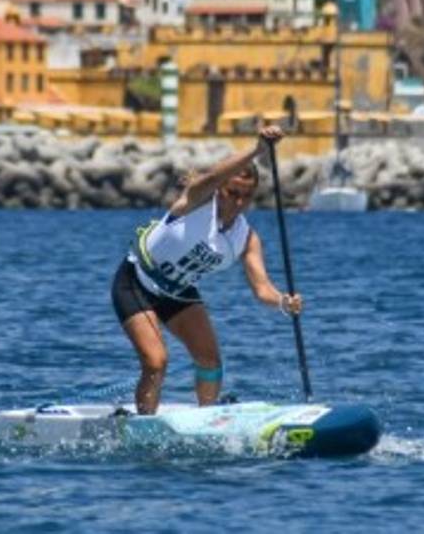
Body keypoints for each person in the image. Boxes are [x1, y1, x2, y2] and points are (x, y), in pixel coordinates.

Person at [111, 124, 302, 415]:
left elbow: (262, 288)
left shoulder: (246, 238)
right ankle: (143, 424)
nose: (238, 202)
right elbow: (213, 176)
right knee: (156, 362)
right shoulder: (196, 201)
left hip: (177, 292)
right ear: (220, 189)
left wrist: (284, 302)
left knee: (210, 361)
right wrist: (258, 150)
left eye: (246, 196)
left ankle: (207, 420)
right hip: (136, 282)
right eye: (232, 192)